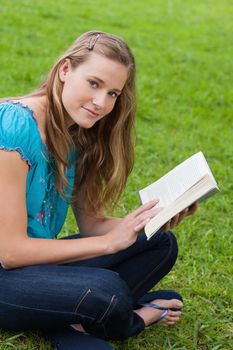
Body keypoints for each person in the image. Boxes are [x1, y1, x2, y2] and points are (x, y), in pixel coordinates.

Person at [0, 31, 198, 350]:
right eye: (94, 83)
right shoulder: (13, 125)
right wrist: (107, 244)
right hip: (6, 274)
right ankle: (133, 319)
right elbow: (10, 253)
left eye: (113, 94)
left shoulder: (77, 133)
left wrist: (151, 219)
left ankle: (69, 318)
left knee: (159, 242)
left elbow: (92, 225)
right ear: (65, 70)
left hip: (38, 267)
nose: (101, 103)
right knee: (105, 289)